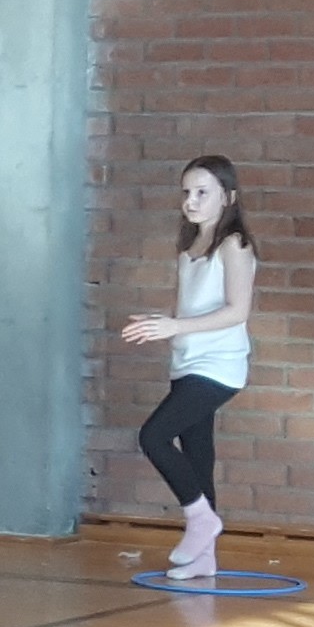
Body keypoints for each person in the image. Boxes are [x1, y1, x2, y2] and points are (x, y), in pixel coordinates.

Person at [117, 155, 260, 583]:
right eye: (187, 192)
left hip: (218, 367)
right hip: (187, 362)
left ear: (228, 197)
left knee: (153, 436)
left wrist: (175, 326)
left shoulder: (235, 245)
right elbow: (188, 308)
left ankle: (202, 519)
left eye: (202, 192)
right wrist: (161, 323)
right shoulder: (189, 247)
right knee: (198, 456)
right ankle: (203, 558)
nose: (191, 201)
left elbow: (237, 311)